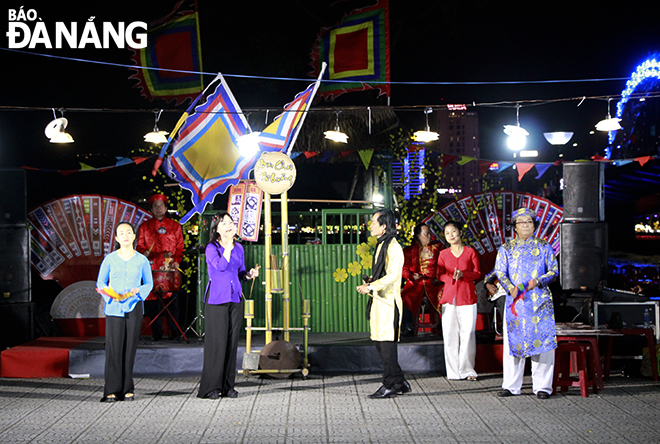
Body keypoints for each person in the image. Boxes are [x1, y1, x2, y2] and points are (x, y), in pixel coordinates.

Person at [494, 207, 558, 399]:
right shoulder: (506, 248)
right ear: (515, 227)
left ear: (534, 225)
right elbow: (500, 271)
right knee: (513, 344)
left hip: (540, 302)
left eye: (529, 222)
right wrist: (509, 287)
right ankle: (511, 385)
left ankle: (543, 387)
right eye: (521, 223)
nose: (525, 226)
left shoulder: (545, 246)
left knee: (543, 345)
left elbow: (553, 271)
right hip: (516, 303)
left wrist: (538, 281)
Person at [198, 212, 260, 400]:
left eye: (231, 222)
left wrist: (249, 275)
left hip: (235, 298)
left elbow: (239, 271)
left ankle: (228, 386)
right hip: (217, 299)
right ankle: (211, 387)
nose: (229, 225)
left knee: (231, 343)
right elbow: (222, 267)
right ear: (216, 228)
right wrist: (227, 245)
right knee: (217, 344)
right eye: (224, 223)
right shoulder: (211, 248)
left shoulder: (239, 248)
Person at [96, 222, 153, 402]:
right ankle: (111, 389)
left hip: (134, 306)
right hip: (114, 308)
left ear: (134, 236)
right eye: (122, 233)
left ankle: (128, 388)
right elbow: (100, 284)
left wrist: (139, 292)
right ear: (116, 238)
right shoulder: (110, 259)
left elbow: (149, 284)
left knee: (130, 349)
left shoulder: (142, 260)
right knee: (114, 348)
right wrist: (112, 296)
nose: (126, 235)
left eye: (129, 232)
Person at [356, 209, 409, 398]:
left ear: (384, 226)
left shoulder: (393, 247)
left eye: (373, 222)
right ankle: (399, 381)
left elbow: (394, 275)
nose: (370, 225)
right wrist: (371, 282)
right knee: (379, 343)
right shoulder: (382, 244)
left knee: (386, 346)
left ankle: (389, 385)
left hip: (388, 302)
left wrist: (371, 287)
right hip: (379, 300)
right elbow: (383, 273)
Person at [436, 221, 481, 381]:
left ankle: (468, 370)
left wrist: (464, 275)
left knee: (468, 333)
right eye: (447, 233)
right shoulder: (443, 254)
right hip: (449, 297)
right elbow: (439, 274)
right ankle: (453, 372)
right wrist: (449, 278)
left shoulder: (470, 252)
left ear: (460, 232)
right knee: (449, 334)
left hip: (467, 296)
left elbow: (477, 273)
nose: (451, 235)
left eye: (453, 231)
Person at [136, 194, 185, 340]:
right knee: (154, 303)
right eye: (155, 206)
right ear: (151, 209)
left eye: (161, 205)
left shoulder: (175, 226)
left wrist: (177, 260)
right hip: (151, 269)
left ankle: (174, 333)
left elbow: (180, 247)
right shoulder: (145, 227)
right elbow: (139, 245)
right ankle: (156, 333)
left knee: (172, 303)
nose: (158, 208)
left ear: (166, 207)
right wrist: (142, 252)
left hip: (169, 268)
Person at [401, 223, 442, 336]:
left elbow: (442, 265)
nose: (429, 236)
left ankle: (441, 326)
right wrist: (411, 275)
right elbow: (403, 269)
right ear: (418, 235)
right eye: (426, 234)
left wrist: (438, 277)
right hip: (416, 283)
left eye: (429, 233)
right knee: (406, 296)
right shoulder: (408, 251)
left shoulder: (438, 248)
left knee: (444, 296)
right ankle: (408, 326)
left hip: (434, 283)